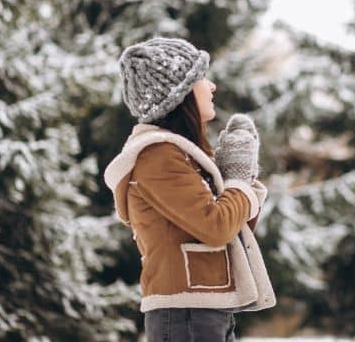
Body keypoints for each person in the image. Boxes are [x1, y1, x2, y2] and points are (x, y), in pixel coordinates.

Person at [103, 37, 274, 342]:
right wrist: (235, 180)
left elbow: (232, 231)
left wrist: (240, 179)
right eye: (200, 78)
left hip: (202, 309)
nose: (211, 86)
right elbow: (216, 227)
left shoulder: (179, 156)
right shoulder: (157, 156)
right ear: (179, 94)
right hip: (185, 313)